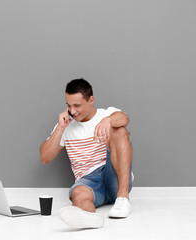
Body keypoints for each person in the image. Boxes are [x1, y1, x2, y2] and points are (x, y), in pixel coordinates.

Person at [39, 78, 133, 229]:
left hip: (112, 175)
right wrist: (60, 128)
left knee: (119, 130)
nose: (73, 111)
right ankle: (91, 219)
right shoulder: (65, 125)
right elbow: (45, 157)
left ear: (91, 100)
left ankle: (122, 198)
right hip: (89, 181)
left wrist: (108, 121)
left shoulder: (106, 114)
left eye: (77, 105)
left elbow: (125, 118)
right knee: (78, 194)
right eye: (69, 105)